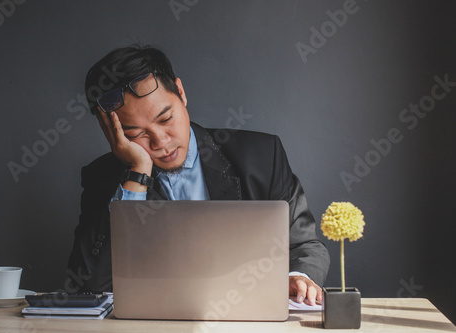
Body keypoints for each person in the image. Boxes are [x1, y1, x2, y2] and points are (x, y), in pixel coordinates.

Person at [68, 45, 330, 306]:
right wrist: (137, 175)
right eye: (136, 134)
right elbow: (87, 285)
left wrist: (299, 277)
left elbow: (303, 244)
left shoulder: (261, 157)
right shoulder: (104, 178)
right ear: (113, 133)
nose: (160, 141)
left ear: (181, 93)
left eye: (165, 119)